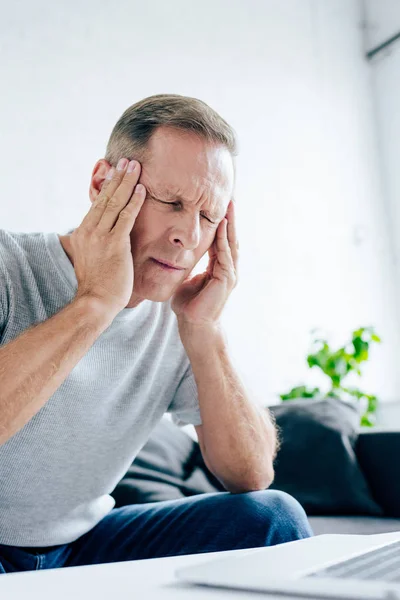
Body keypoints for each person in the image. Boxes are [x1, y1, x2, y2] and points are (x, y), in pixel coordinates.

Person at [0, 94, 312, 575]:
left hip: (82, 545)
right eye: (172, 203)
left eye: (209, 217)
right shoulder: (8, 266)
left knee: (272, 517)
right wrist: (95, 304)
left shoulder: (180, 313)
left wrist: (204, 330)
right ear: (104, 184)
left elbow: (250, 474)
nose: (189, 235)